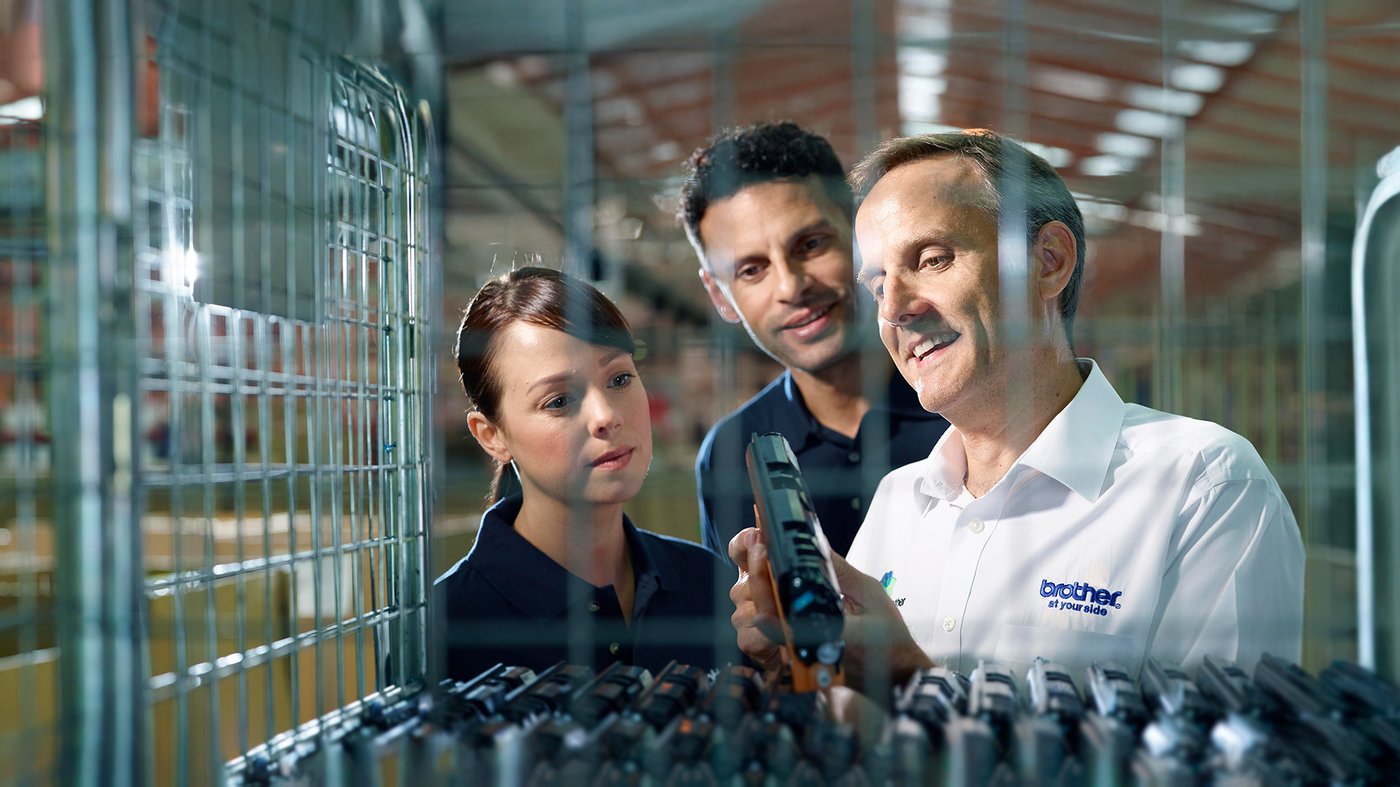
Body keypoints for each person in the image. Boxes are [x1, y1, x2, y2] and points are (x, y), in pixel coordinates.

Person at [728, 130, 1304, 687]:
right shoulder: (899, 502)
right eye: (877, 284)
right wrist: (800, 672)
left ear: (1049, 261)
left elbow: (1220, 761)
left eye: (932, 258)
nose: (896, 309)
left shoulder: (1204, 486)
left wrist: (907, 677)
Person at [434, 266, 734, 680]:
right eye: (558, 401)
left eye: (620, 378)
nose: (606, 416)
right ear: (492, 436)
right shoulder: (447, 628)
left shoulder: (708, 583)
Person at [679, 121, 949, 557]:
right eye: (751, 270)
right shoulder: (729, 457)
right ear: (720, 296)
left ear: (863, 237)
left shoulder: (968, 401)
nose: (791, 287)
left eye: (810, 244)